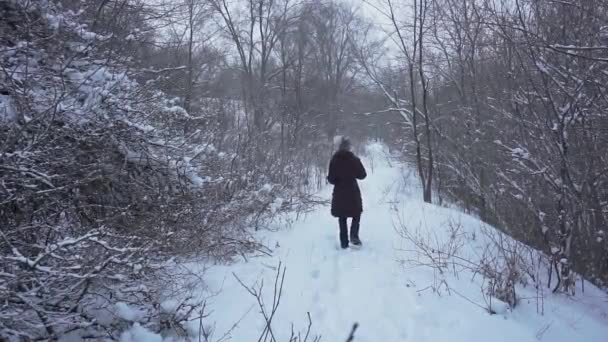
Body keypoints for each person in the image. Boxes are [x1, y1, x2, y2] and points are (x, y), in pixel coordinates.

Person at [327, 137, 367, 249]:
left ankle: (344, 242)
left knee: (342, 217)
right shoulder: (354, 159)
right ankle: (354, 236)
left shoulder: (334, 160)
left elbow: (331, 179)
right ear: (349, 147)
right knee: (356, 214)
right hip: (352, 191)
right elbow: (362, 175)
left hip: (339, 192)